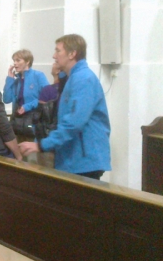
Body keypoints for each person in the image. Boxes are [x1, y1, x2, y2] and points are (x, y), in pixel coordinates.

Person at [19, 34, 111, 179]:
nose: (54, 56)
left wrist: (42, 145)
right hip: (73, 157)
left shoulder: (83, 79)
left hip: (83, 159)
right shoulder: (72, 78)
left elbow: (74, 122)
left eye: (58, 51)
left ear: (72, 54)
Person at [3, 49, 49, 137]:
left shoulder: (38, 75)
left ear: (27, 61)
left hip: (35, 121)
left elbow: (47, 97)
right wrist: (10, 79)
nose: (15, 63)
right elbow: (6, 99)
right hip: (18, 123)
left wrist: (27, 107)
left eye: (18, 60)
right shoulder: (17, 81)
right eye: (14, 61)